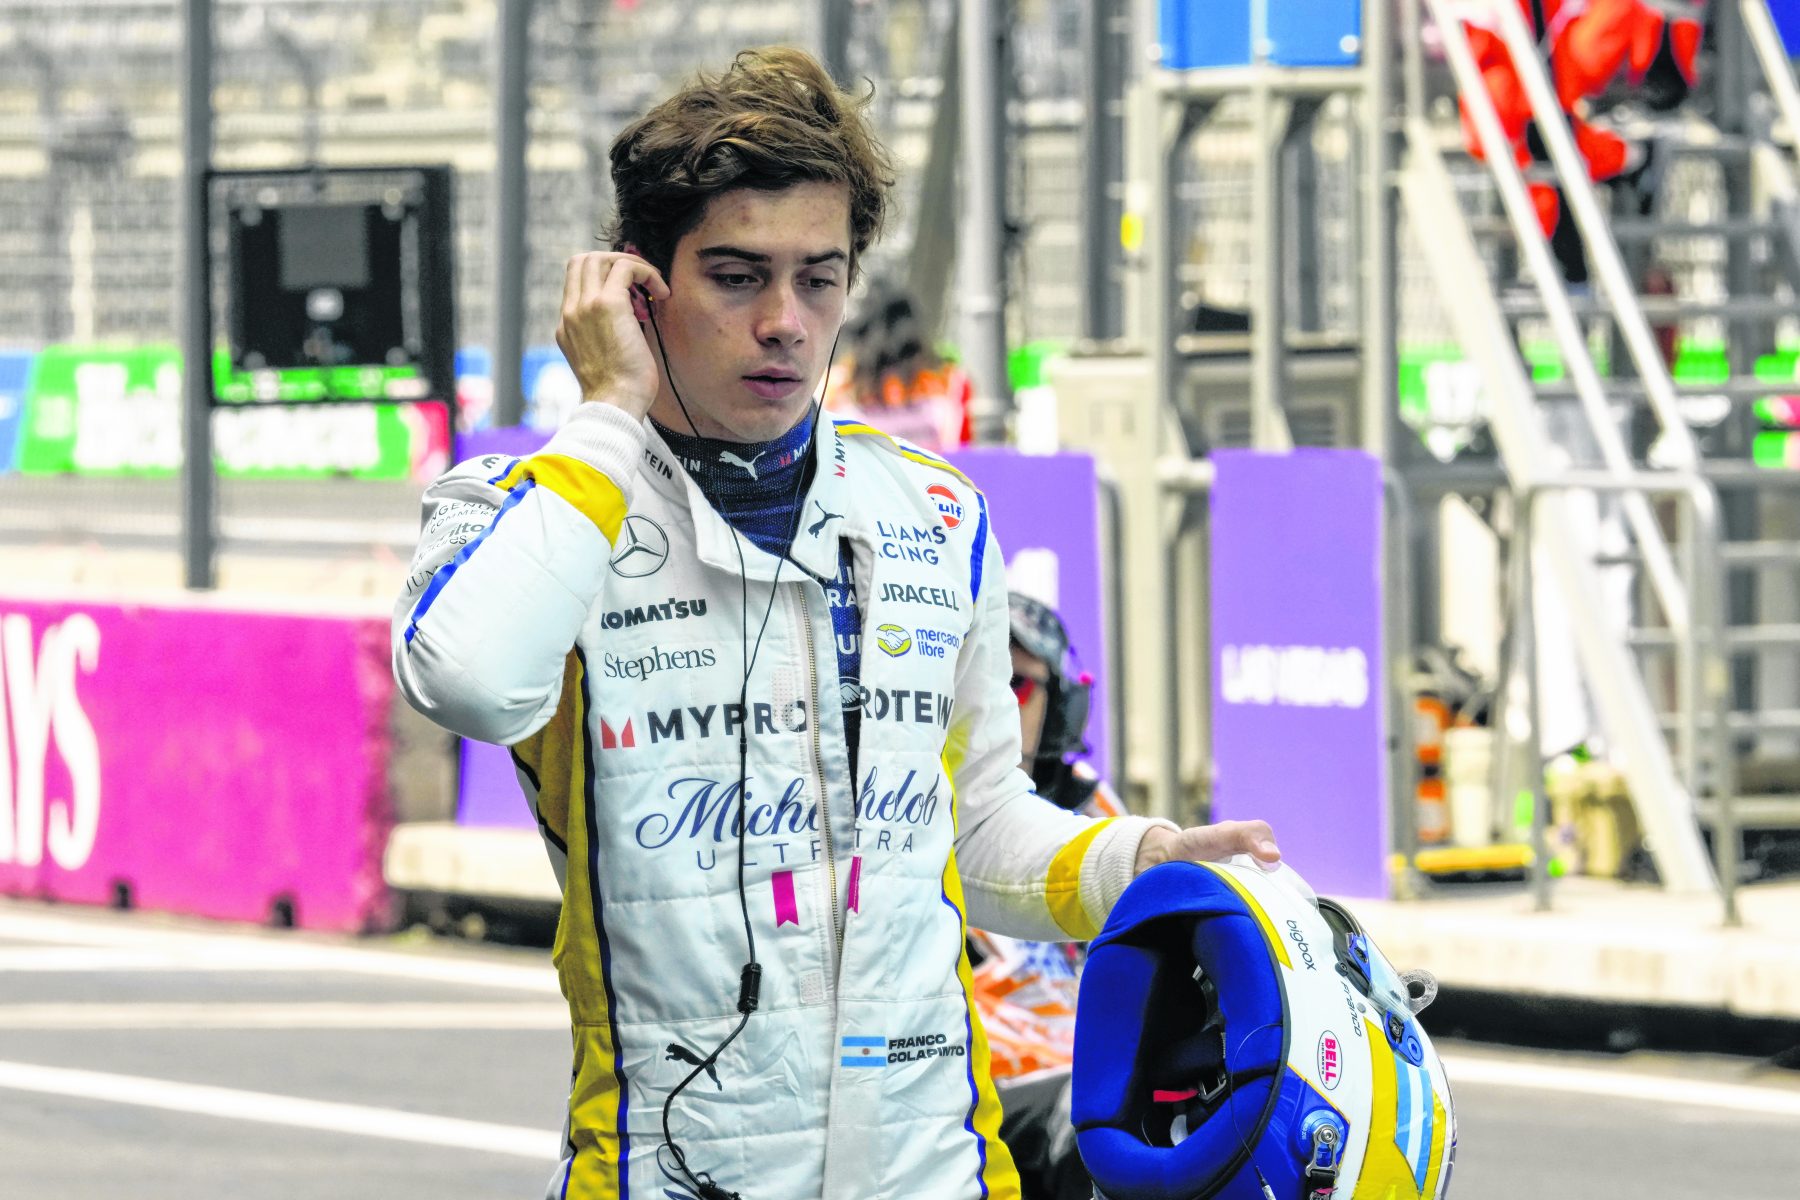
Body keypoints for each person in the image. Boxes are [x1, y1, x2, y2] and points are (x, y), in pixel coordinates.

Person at [391, 47, 1279, 1200]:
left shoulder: (936, 511)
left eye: (820, 277)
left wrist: (1141, 859)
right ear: (635, 289)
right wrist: (609, 408)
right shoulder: (531, 510)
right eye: (736, 275)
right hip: (672, 1173)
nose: (785, 322)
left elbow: (972, 833)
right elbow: (467, 680)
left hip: (935, 1173)